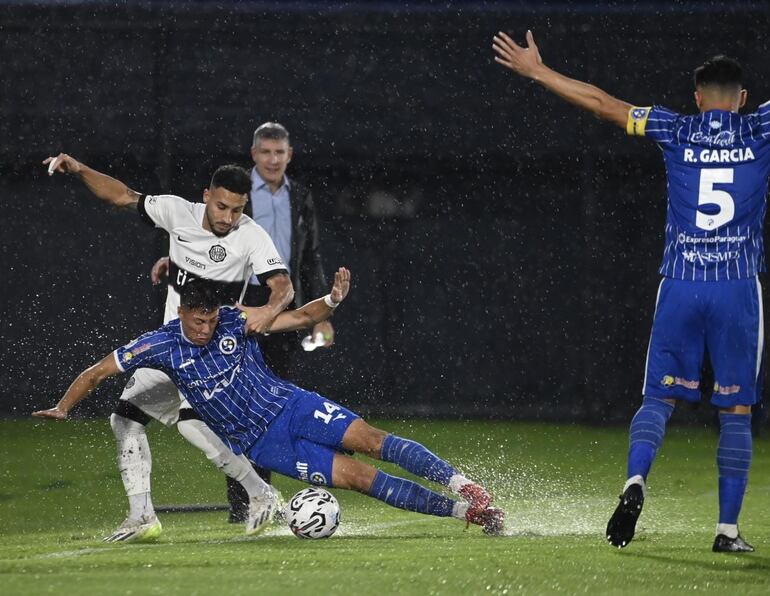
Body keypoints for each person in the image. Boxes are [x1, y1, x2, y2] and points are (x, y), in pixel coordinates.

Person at [493, 31, 770, 552]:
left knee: (658, 397)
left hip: (681, 286)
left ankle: (635, 480)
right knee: (735, 412)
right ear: (742, 98)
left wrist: (539, 72)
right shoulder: (761, 126)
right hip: (736, 289)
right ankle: (727, 531)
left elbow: (602, 105)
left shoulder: (676, 127)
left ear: (696, 97)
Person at [33, 269, 506, 536]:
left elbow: (301, 315)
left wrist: (333, 301)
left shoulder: (237, 321)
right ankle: (467, 515)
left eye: (211, 318)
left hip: (293, 404)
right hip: (265, 445)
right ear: (181, 314)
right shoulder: (157, 345)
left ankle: (465, 486)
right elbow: (96, 372)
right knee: (360, 478)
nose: (205, 328)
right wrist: (64, 406)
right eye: (197, 320)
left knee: (373, 440)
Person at [43, 154, 294, 542]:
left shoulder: (252, 236)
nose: (228, 217)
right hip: (171, 347)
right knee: (125, 420)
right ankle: (143, 515)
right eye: (221, 206)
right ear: (206, 196)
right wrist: (79, 170)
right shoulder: (177, 212)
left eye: (237, 209)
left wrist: (269, 309)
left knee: (197, 428)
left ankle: (262, 493)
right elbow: (122, 196)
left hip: (215, 352)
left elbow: (283, 286)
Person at [151, 122, 334, 522]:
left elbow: (309, 257)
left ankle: (276, 487)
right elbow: (196, 238)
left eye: (279, 152)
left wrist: (319, 315)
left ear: (290, 155)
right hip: (232, 307)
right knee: (227, 410)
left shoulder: (300, 196)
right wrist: (174, 263)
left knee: (272, 406)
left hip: (277, 306)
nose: (272, 159)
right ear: (254, 155)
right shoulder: (228, 190)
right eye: (266, 152)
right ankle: (245, 504)